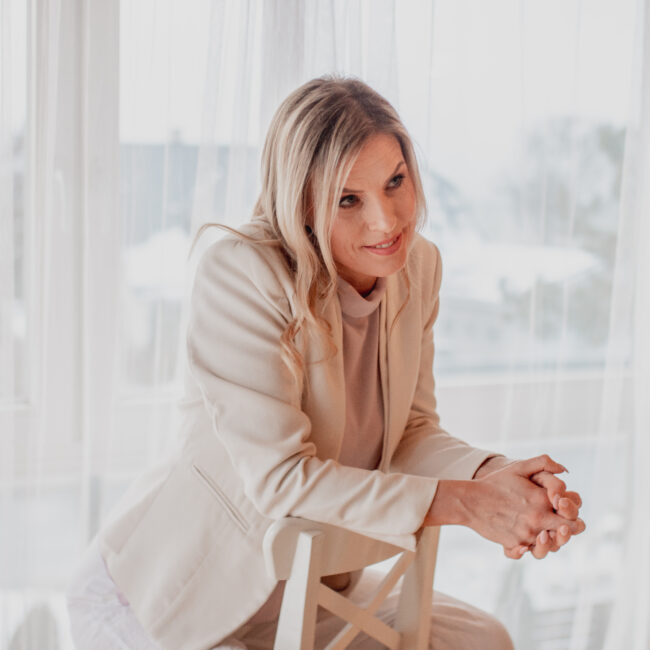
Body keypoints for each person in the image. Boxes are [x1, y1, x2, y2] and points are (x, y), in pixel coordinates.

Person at [66, 75, 585, 650]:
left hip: (310, 590)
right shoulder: (242, 274)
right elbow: (281, 478)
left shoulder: (417, 267)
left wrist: (497, 479)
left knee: (485, 640)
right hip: (168, 597)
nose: (386, 221)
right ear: (304, 205)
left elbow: (410, 434)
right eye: (348, 199)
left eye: (395, 182)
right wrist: (469, 504)